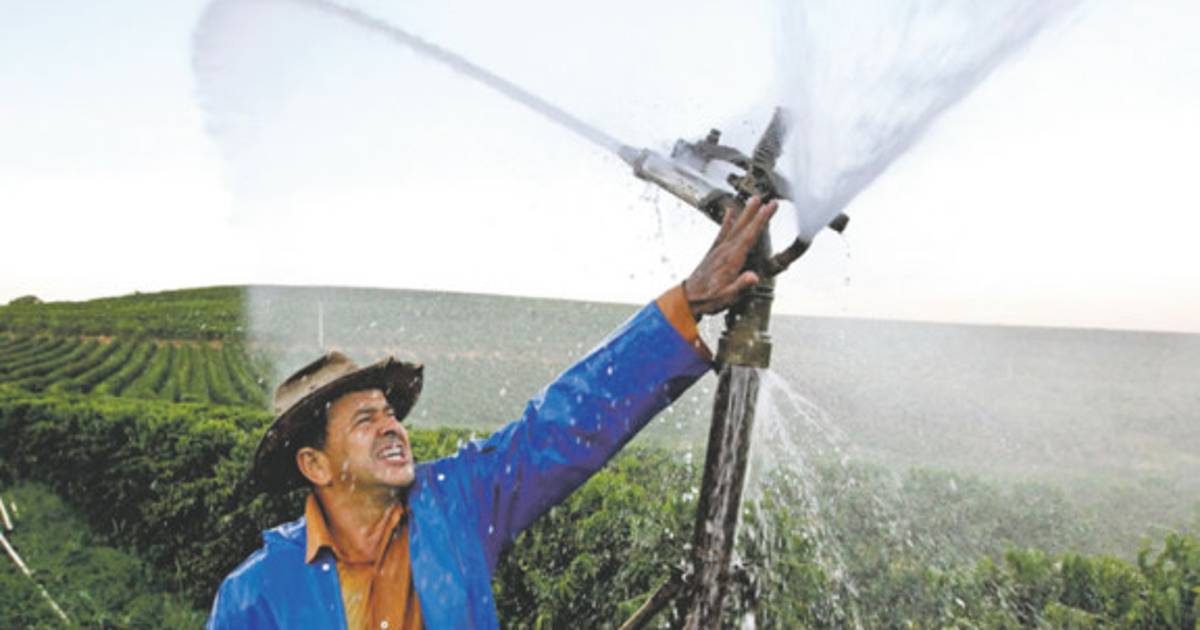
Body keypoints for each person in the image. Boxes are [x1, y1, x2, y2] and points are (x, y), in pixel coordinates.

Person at [207, 197, 778, 629]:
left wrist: (687, 302)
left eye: (389, 412)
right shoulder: (255, 595)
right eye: (364, 421)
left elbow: (561, 427)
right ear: (315, 464)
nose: (391, 426)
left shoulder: (457, 503)